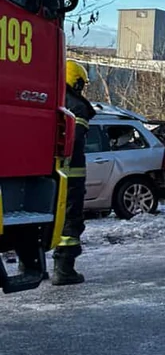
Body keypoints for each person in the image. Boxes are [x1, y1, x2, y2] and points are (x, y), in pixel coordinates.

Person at [52, 60, 95, 286]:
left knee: (47, 219)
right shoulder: (77, 106)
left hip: (47, 175)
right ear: (75, 82)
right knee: (70, 222)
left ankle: (29, 264)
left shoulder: (51, 98)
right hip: (70, 178)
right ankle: (64, 270)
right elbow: (75, 139)